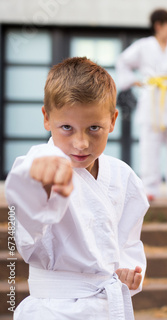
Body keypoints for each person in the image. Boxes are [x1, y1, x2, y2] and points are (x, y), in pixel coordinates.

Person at [5, 57, 149, 319]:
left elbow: (128, 242)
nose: (81, 143)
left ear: (113, 120)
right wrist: (40, 180)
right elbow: (26, 211)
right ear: (47, 118)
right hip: (52, 308)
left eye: (94, 128)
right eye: (67, 128)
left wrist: (129, 272)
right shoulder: (40, 161)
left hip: (106, 306)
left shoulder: (123, 175)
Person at [116, 8, 167, 204]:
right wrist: (134, 80)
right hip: (151, 101)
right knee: (149, 147)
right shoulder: (143, 46)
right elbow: (123, 62)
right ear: (158, 25)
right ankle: (149, 188)